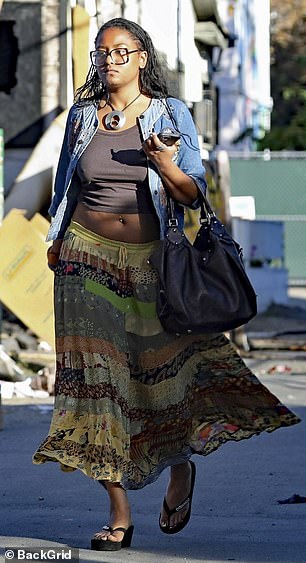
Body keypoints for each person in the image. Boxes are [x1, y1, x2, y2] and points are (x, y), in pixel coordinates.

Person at [33, 17, 300, 551]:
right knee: (93, 387)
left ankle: (180, 468)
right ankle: (119, 512)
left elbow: (191, 194)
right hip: (85, 261)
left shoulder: (169, 113)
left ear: (140, 58)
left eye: (120, 51)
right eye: (101, 52)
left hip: (153, 266)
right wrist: (58, 239)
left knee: (163, 378)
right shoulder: (82, 117)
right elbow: (66, 181)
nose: (109, 60)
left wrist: (164, 162)